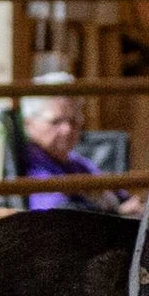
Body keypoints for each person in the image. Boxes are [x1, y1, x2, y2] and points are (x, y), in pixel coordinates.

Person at [18, 78, 139, 215]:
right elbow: (57, 214)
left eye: (74, 120)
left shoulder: (75, 162)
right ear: (29, 124)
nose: (67, 129)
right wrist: (118, 214)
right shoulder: (32, 167)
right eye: (56, 121)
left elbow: (117, 192)